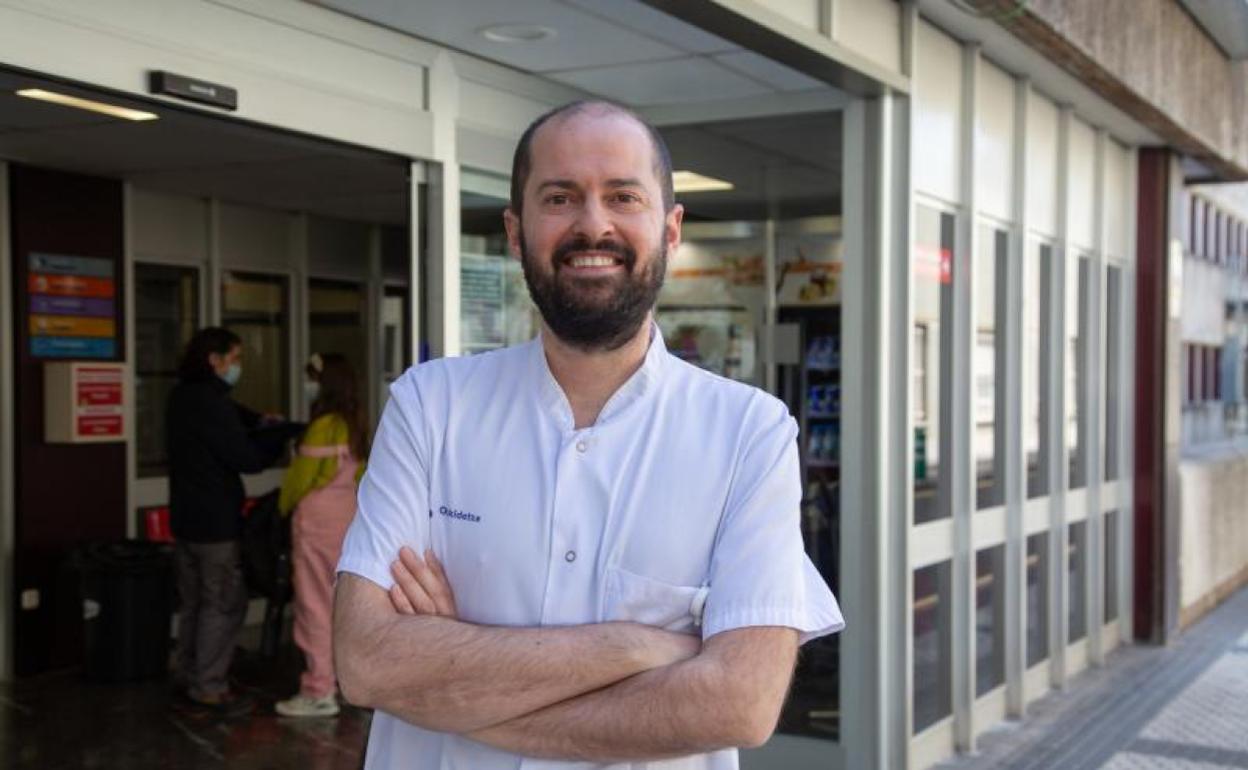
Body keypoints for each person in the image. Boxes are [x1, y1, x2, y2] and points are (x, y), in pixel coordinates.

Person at [333, 100, 844, 769]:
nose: (593, 224)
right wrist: (633, 648)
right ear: (517, 232)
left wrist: (455, 681)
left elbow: (739, 705)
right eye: (561, 197)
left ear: (670, 227)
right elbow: (368, 664)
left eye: (623, 195)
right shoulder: (431, 405)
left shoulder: (749, 432)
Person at [167, 327, 280, 716]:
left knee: (194, 601)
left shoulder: (182, 396)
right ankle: (210, 686)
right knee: (223, 603)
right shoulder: (210, 404)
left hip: (184, 520)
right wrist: (276, 438)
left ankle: (187, 671)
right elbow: (245, 457)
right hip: (215, 524)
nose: (238, 367)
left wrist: (259, 420)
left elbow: (234, 416)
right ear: (214, 361)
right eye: (234, 359)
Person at [275, 353, 368, 718]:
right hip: (347, 520)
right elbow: (363, 476)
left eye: (311, 377)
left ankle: (318, 690)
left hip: (315, 524)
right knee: (346, 606)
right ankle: (350, 684)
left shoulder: (322, 426)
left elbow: (299, 481)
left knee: (314, 607)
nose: (307, 384)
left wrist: (283, 508)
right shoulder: (355, 423)